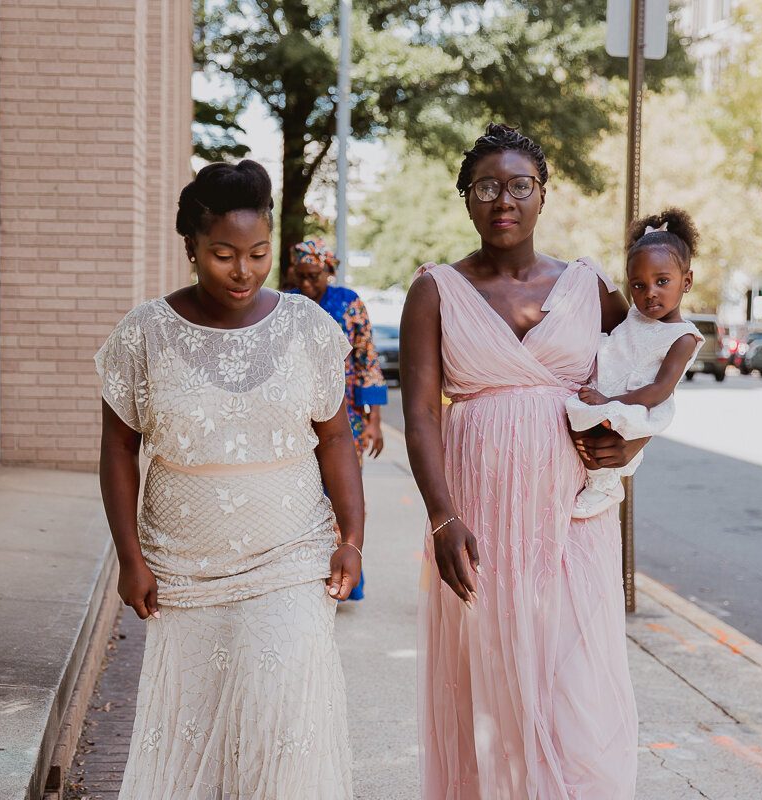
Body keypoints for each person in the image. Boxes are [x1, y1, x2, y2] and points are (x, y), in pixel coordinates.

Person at [96, 159, 363, 800]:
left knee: (282, 720)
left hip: (290, 553)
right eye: (223, 255)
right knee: (196, 728)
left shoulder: (307, 328)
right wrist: (129, 560)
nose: (243, 271)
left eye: (258, 253)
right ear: (190, 246)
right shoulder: (144, 334)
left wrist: (351, 537)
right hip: (184, 565)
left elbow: (335, 440)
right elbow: (116, 450)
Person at [400, 123, 642, 799]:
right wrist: (443, 517)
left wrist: (634, 443)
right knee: (493, 698)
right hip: (476, 522)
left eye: (519, 184)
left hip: (569, 524)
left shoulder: (589, 286)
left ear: (542, 195)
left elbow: (641, 375)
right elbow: (419, 412)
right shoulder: (435, 290)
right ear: (466, 200)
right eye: (486, 186)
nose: (503, 198)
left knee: (576, 696)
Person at [565, 209, 705, 518]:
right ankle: (599, 478)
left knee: (594, 430)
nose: (650, 292)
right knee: (573, 420)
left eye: (662, 281)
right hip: (608, 387)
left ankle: (604, 484)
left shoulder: (683, 337)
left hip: (636, 401)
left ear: (687, 281)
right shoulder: (633, 316)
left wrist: (609, 400)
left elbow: (660, 389)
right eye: (638, 285)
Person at [288, 238, 388, 601]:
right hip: (295, 418)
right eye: (299, 276)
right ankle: (304, 575)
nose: (306, 284)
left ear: (328, 270)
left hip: (346, 418)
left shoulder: (349, 304)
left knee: (343, 494)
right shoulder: (287, 303)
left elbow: (367, 361)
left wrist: (374, 421)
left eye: (313, 276)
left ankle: (346, 575)